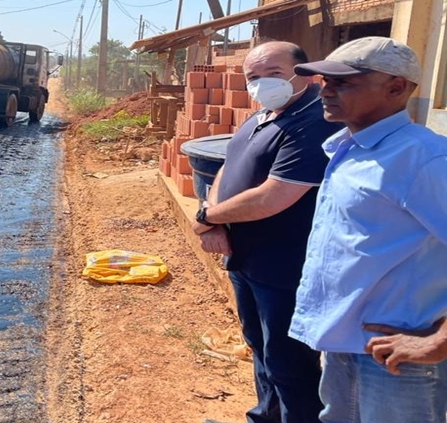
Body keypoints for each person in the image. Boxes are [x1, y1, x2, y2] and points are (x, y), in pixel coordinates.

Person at [289, 36, 447, 423]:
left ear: (396, 88)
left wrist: (439, 341)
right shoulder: (352, 148)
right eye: (325, 81)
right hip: (346, 344)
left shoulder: (423, 158)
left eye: (343, 82)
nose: (325, 91)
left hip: (397, 359)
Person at [191, 41, 343, 423]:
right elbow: (229, 166)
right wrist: (214, 218)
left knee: (289, 361)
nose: (261, 84)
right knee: (260, 346)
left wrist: (207, 216)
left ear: (305, 74)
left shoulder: (313, 122)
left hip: (283, 264)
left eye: (273, 74)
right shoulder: (262, 115)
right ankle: (265, 416)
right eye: (253, 77)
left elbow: (273, 197)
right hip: (246, 257)